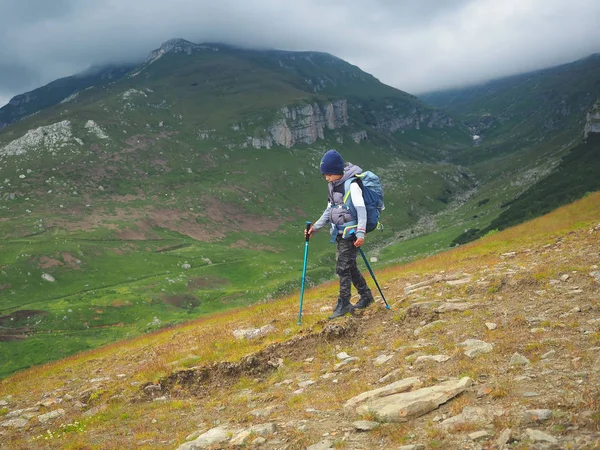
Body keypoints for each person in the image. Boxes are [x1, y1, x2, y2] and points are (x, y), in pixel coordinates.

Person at [305, 149, 375, 319]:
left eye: (329, 174)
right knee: (349, 266)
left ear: (337, 170)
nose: (327, 178)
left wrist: (360, 233)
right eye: (325, 175)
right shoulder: (333, 186)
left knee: (342, 268)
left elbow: (361, 209)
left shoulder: (351, 184)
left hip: (351, 233)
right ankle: (366, 296)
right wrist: (316, 227)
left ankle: (344, 303)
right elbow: (330, 209)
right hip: (339, 232)